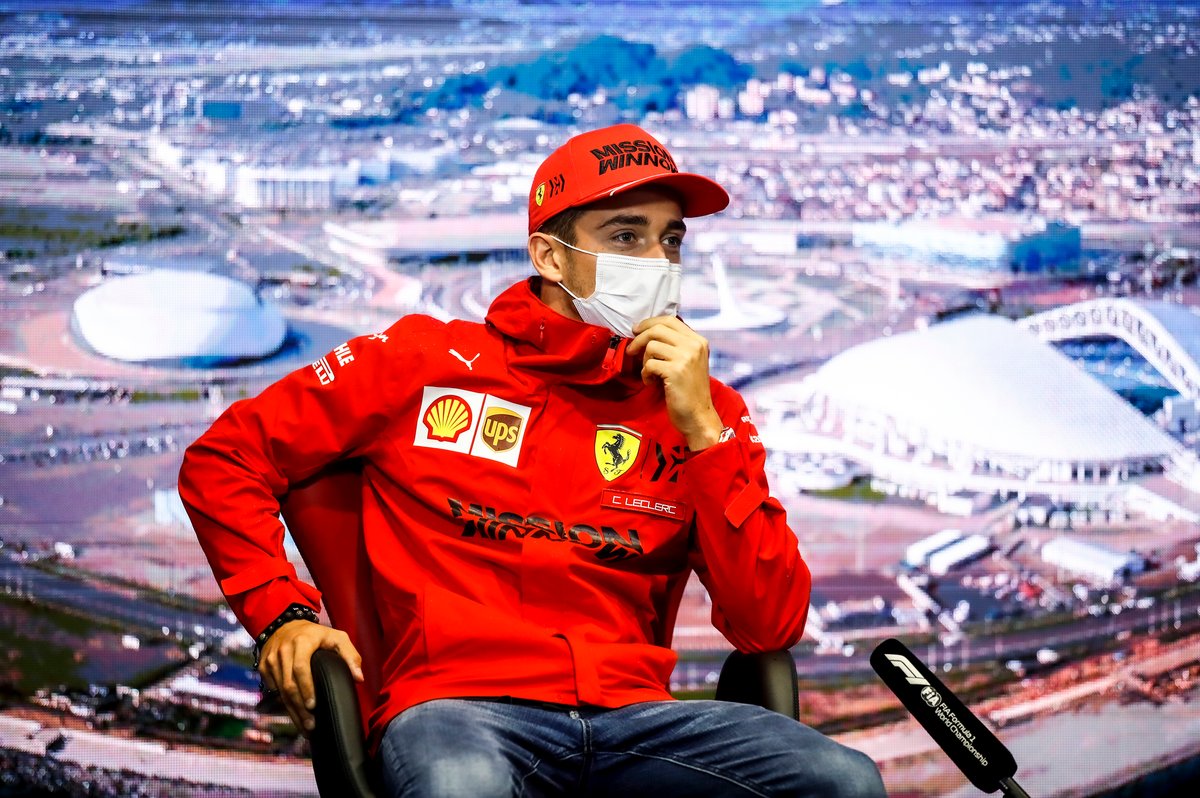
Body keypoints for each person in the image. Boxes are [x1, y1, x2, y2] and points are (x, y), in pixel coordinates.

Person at [179, 123, 887, 798]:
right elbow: (225, 459)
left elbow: (768, 628)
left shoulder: (704, 408)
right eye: (625, 237)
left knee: (846, 782)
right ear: (550, 257)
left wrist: (705, 432)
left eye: (670, 240)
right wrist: (283, 615)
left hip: (636, 720)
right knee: (465, 788)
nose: (658, 264)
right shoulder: (423, 362)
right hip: (459, 710)